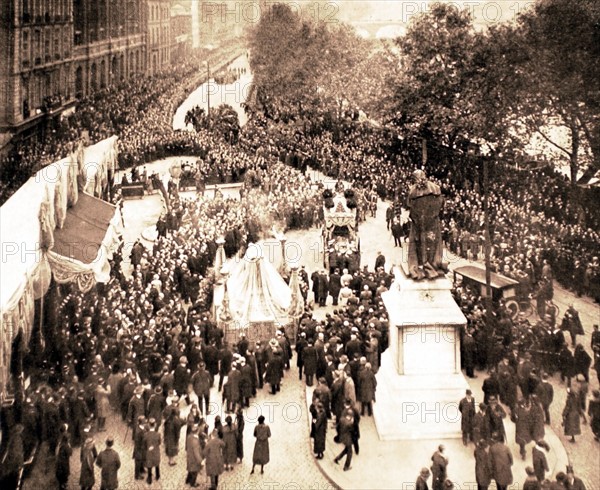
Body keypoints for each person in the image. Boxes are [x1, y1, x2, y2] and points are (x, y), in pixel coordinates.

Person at [143, 418, 161, 484]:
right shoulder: (158, 434)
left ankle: (149, 479)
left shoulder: (146, 435)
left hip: (149, 453)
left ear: (149, 425)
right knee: (157, 464)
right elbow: (159, 442)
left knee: (149, 465)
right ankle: (158, 475)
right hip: (156, 452)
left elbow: (144, 444)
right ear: (155, 425)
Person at [56, 424, 73, 490]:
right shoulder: (66, 446)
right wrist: (69, 446)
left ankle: (61, 484)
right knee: (64, 474)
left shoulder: (61, 443)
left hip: (59, 462)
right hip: (64, 463)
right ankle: (63, 485)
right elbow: (70, 453)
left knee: (61, 474)